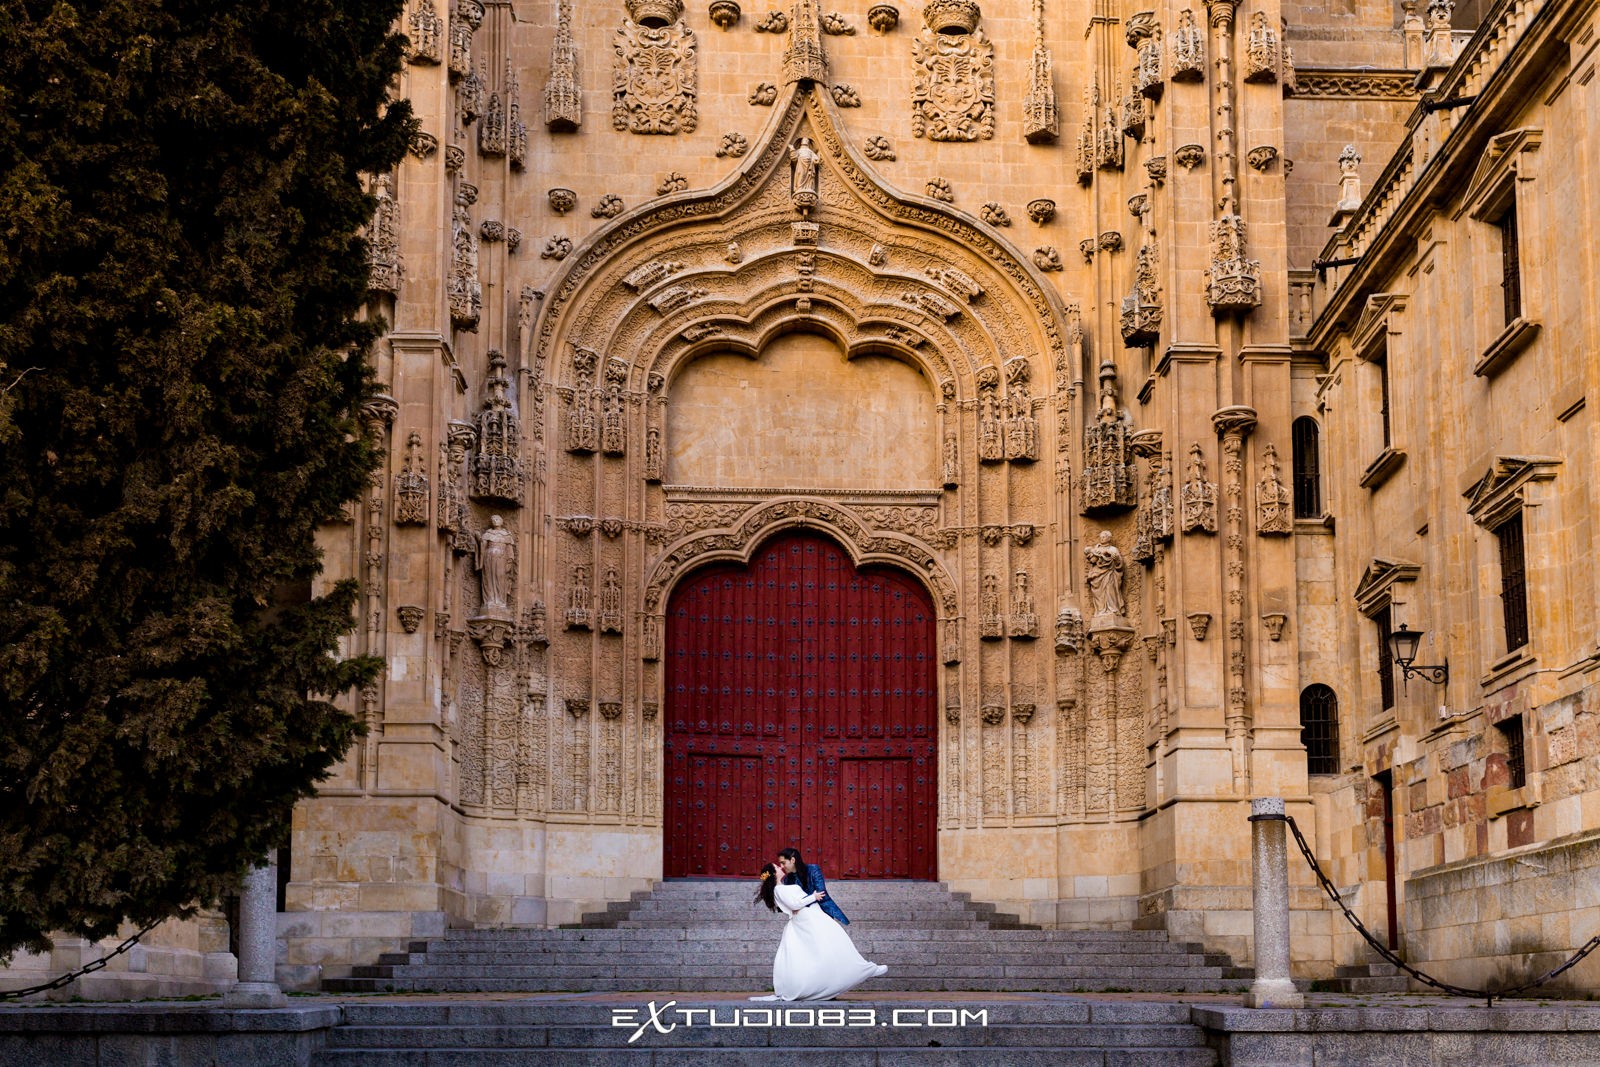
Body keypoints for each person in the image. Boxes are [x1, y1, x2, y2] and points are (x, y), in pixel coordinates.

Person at [750, 862, 887, 1001]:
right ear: (773, 874)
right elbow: (793, 904)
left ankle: (857, 971)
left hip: (812, 916)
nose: (780, 867)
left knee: (830, 945)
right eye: (777, 867)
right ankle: (865, 970)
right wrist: (813, 897)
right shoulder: (779, 889)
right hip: (808, 920)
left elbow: (795, 903)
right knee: (830, 945)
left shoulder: (782, 887)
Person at [777, 847, 848, 925]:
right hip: (802, 916)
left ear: (792, 860)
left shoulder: (813, 869)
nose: (781, 866)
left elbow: (821, 892)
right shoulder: (787, 880)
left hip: (822, 911)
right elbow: (791, 902)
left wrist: (799, 904)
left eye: (783, 863)